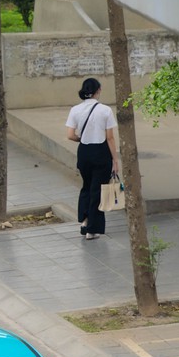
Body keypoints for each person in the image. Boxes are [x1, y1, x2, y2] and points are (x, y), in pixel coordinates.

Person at [65, 77, 118, 241]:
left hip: (84, 152)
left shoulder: (75, 110)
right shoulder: (105, 110)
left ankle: (85, 220)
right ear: (98, 90)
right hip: (101, 152)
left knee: (86, 187)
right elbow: (110, 138)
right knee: (98, 191)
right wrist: (115, 160)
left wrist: (82, 139)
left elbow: (70, 135)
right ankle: (92, 230)